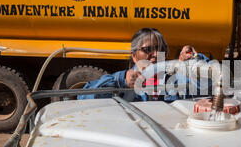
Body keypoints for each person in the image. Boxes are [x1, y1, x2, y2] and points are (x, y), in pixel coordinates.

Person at [78, 28, 209, 101]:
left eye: (161, 49)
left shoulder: (175, 80)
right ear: (134, 56)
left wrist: (194, 61)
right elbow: (83, 98)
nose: (156, 54)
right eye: (148, 49)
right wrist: (122, 80)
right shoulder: (121, 82)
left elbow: (208, 84)